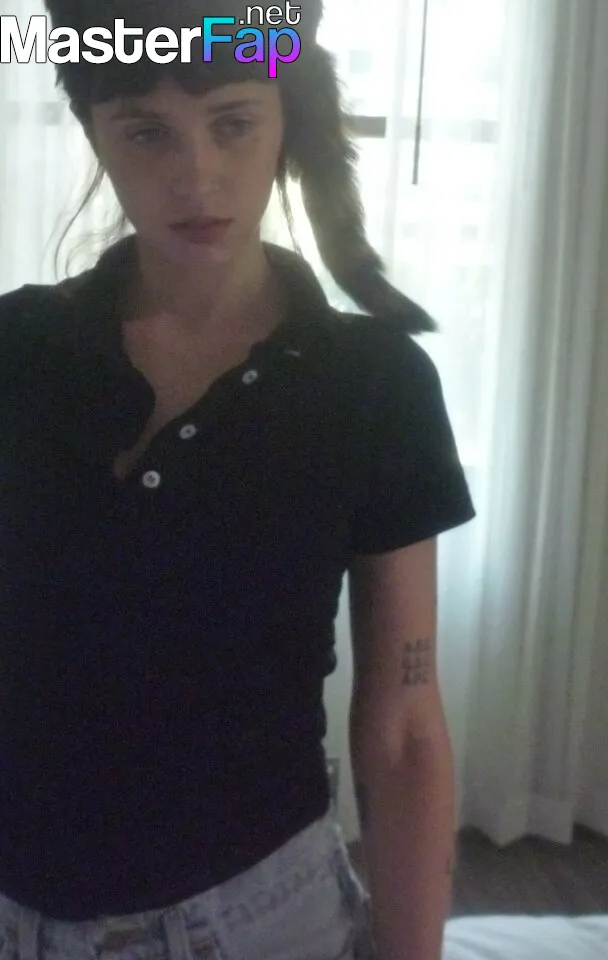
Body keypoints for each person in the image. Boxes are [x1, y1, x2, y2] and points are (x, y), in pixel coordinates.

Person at [0, 1, 476, 958]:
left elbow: (403, 726)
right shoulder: (16, 350)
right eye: (147, 133)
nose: (197, 176)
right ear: (93, 131)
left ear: (283, 119)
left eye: (232, 122)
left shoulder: (373, 382)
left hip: (262, 919)